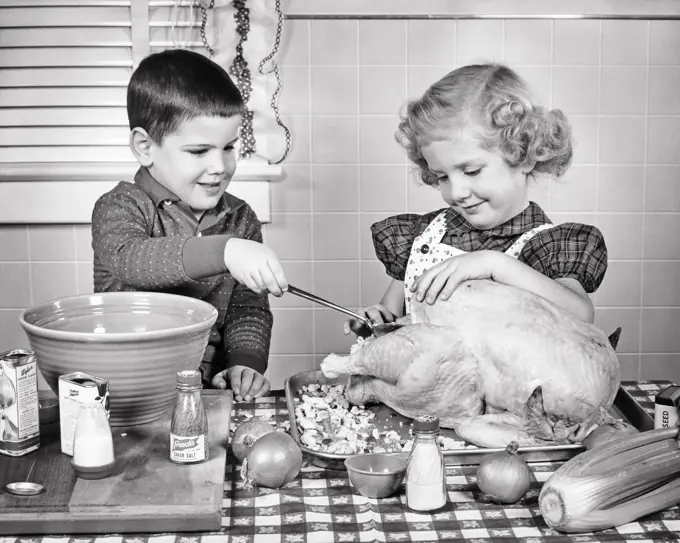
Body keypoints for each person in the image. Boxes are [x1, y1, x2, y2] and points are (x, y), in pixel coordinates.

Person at [345, 63, 607, 336]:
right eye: (442, 177)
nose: (456, 193)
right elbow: (394, 318)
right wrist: (377, 321)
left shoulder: (548, 247)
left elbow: (581, 316)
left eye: (471, 171)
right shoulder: (424, 238)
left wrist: (495, 264)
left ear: (524, 157)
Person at [92, 49, 288, 401]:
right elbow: (131, 260)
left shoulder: (240, 219)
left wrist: (245, 363)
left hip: (209, 395)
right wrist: (224, 250)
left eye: (228, 147)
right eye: (199, 151)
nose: (219, 166)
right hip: (130, 397)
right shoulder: (119, 207)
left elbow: (248, 308)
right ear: (145, 146)